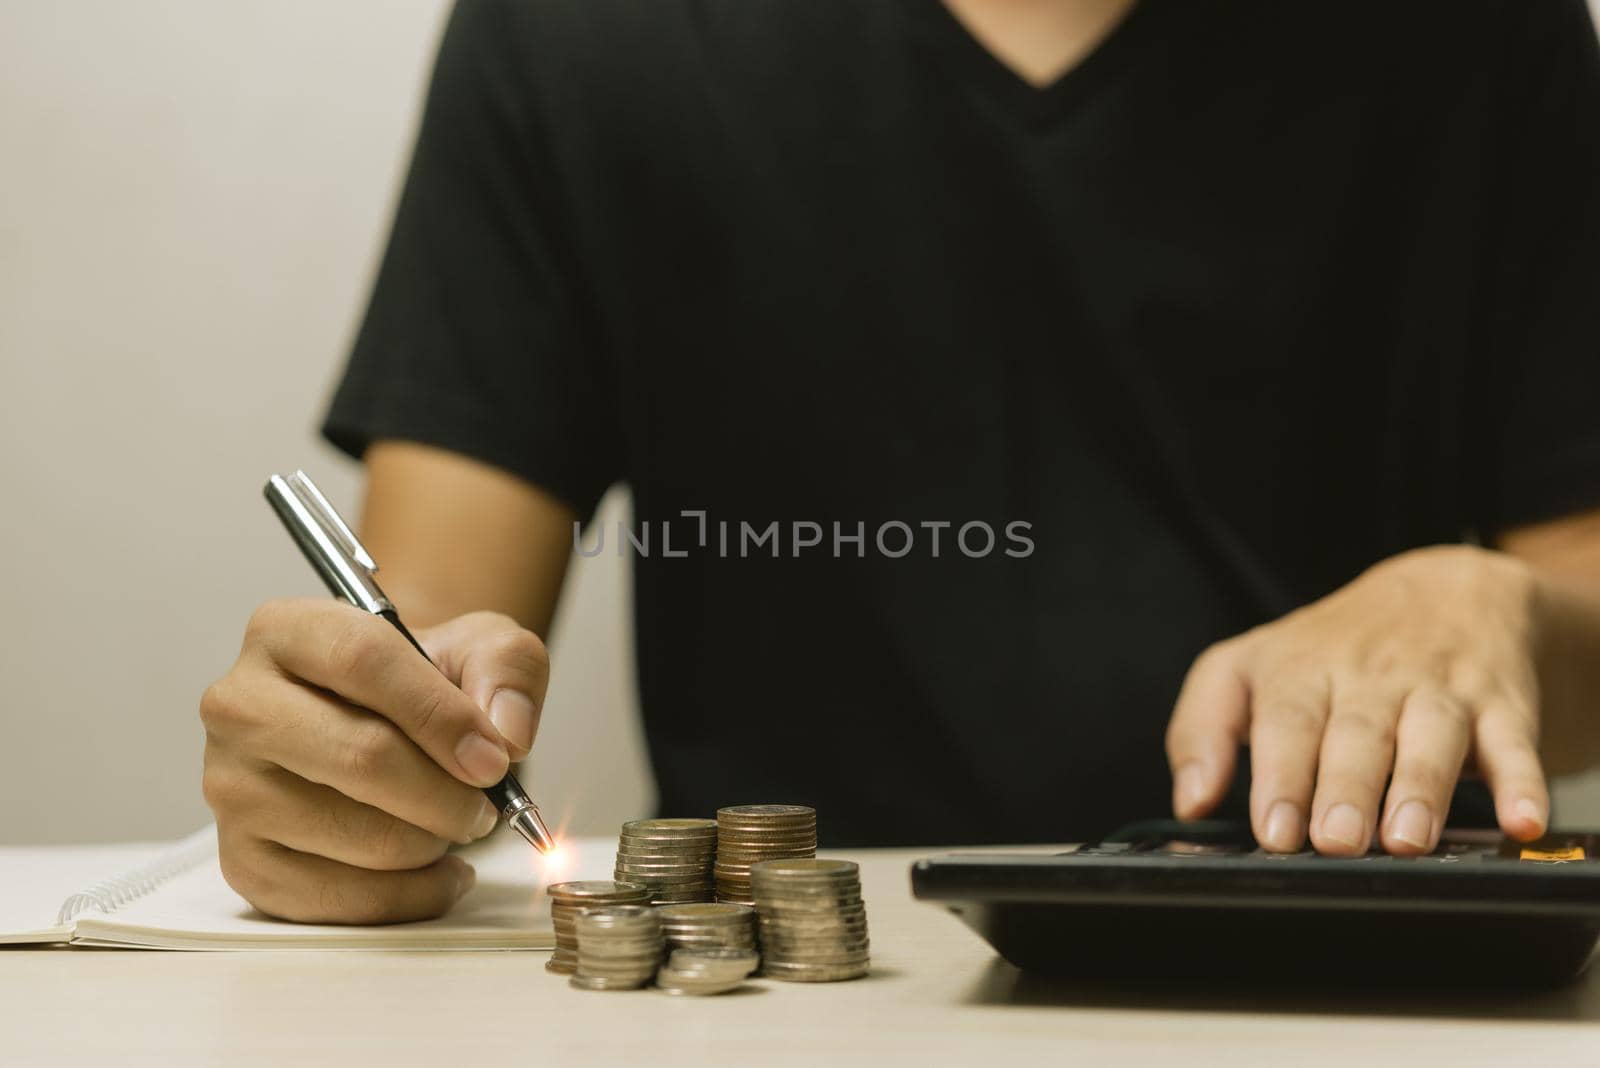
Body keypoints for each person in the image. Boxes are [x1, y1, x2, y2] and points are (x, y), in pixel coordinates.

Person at [198, 0, 1600, 923]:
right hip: (792, 1018)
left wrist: (1500, 610)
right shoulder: (576, 30)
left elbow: (1582, 627)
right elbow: (430, 666)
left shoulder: (1481, 33)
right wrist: (358, 786)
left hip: (1368, 965)